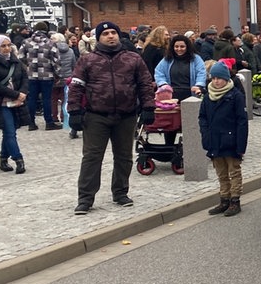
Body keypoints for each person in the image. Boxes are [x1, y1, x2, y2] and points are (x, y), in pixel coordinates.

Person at [67, 22, 157, 216]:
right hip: (96, 115)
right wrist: (74, 110)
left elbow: (145, 84)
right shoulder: (87, 60)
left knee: (124, 156)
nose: (110, 36)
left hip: (126, 115)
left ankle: (120, 192)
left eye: (113, 33)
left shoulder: (132, 58)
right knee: (92, 157)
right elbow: (76, 86)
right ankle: (85, 198)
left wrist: (149, 107)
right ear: (98, 38)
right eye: (106, 33)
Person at [199, 61, 249, 217]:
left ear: (227, 79)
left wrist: (241, 146)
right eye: (213, 78)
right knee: (221, 172)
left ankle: (235, 200)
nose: (216, 81)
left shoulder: (235, 96)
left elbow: (242, 121)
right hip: (215, 141)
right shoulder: (208, 97)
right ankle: (224, 198)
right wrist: (205, 134)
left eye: (219, 78)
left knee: (234, 171)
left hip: (231, 140)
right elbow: (203, 117)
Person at [0, 35, 30, 174]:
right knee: (9, 131)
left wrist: (23, 92)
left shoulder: (15, 60)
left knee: (11, 130)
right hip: (0, 103)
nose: (7, 48)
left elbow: (24, 77)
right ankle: (18, 159)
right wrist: (15, 94)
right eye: (3, 46)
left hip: (16, 102)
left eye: (8, 45)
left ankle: (3, 159)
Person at [18, 21, 62, 131]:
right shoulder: (50, 43)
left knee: (31, 99)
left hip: (31, 75)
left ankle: (31, 123)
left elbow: (20, 57)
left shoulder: (26, 42)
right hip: (47, 75)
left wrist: (28, 65)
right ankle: (49, 122)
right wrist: (58, 74)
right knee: (47, 99)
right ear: (45, 30)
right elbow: (56, 60)